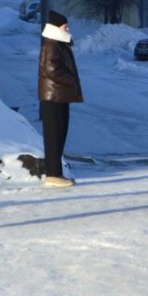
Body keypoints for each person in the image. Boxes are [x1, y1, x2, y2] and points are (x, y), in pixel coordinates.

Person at [38, 10, 84, 188]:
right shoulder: (51, 44)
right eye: (65, 26)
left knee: (59, 135)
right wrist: (70, 80)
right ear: (57, 27)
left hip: (59, 95)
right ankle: (52, 175)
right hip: (54, 96)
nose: (68, 28)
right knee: (54, 136)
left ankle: (56, 173)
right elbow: (51, 69)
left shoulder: (57, 43)